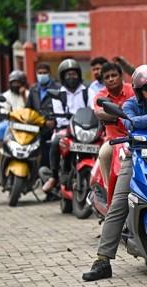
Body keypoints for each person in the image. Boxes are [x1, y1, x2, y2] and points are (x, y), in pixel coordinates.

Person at [82, 65, 147, 281]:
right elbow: (128, 122)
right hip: (137, 156)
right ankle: (103, 260)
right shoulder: (130, 104)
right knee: (119, 202)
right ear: (139, 92)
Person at [42, 59, 94, 193]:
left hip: (84, 129)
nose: (72, 77)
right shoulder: (59, 93)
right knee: (55, 142)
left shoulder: (87, 91)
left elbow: (93, 108)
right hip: (64, 129)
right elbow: (57, 114)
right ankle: (54, 177)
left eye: (74, 74)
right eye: (68, 74)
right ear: (63, 76)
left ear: (79, 74)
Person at [93, 62, 134, 187]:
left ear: (121, 76)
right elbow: (100, 113)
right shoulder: (100, 96)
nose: (111, 79)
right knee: (103, 154)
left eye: (114, 75)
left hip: (138, 137)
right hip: (114, 141)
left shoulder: (133, 90)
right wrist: (123, 113)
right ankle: (108, 189)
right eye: (107, 77)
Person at [26, 62, 61, 168]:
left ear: (49, 73)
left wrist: (54, 120)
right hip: (37, 127)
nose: (42, 75)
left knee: (51, 154)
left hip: (52, 127)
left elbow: (61, 106)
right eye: (39, 73)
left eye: (44, 73)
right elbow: (28, 108)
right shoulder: (33, 89)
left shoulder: (57, 87)